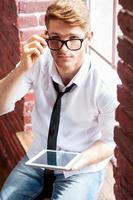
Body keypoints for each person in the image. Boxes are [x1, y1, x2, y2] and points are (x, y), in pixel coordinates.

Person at [0, 0, 118, 199]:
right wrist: (21, 69)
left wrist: (78, 161)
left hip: (82, 168)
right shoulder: (37, 61)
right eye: (55, 38)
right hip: (39, 157)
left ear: (89, 38)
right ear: (46, 36)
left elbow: (109, 143)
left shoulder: (105, 84)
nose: (63, 48)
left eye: (73, 38)